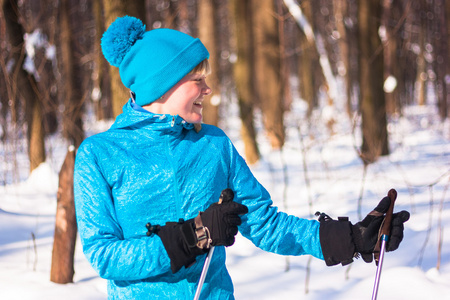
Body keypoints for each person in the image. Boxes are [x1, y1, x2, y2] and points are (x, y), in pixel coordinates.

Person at [74, 16, 410, 299]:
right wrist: (193, 236)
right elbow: (105, 256)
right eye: (197, 80)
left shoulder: (213, 145)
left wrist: (349, 238)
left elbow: (265, 223)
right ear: (163, 86)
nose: (207, 90)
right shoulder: (99, 155)